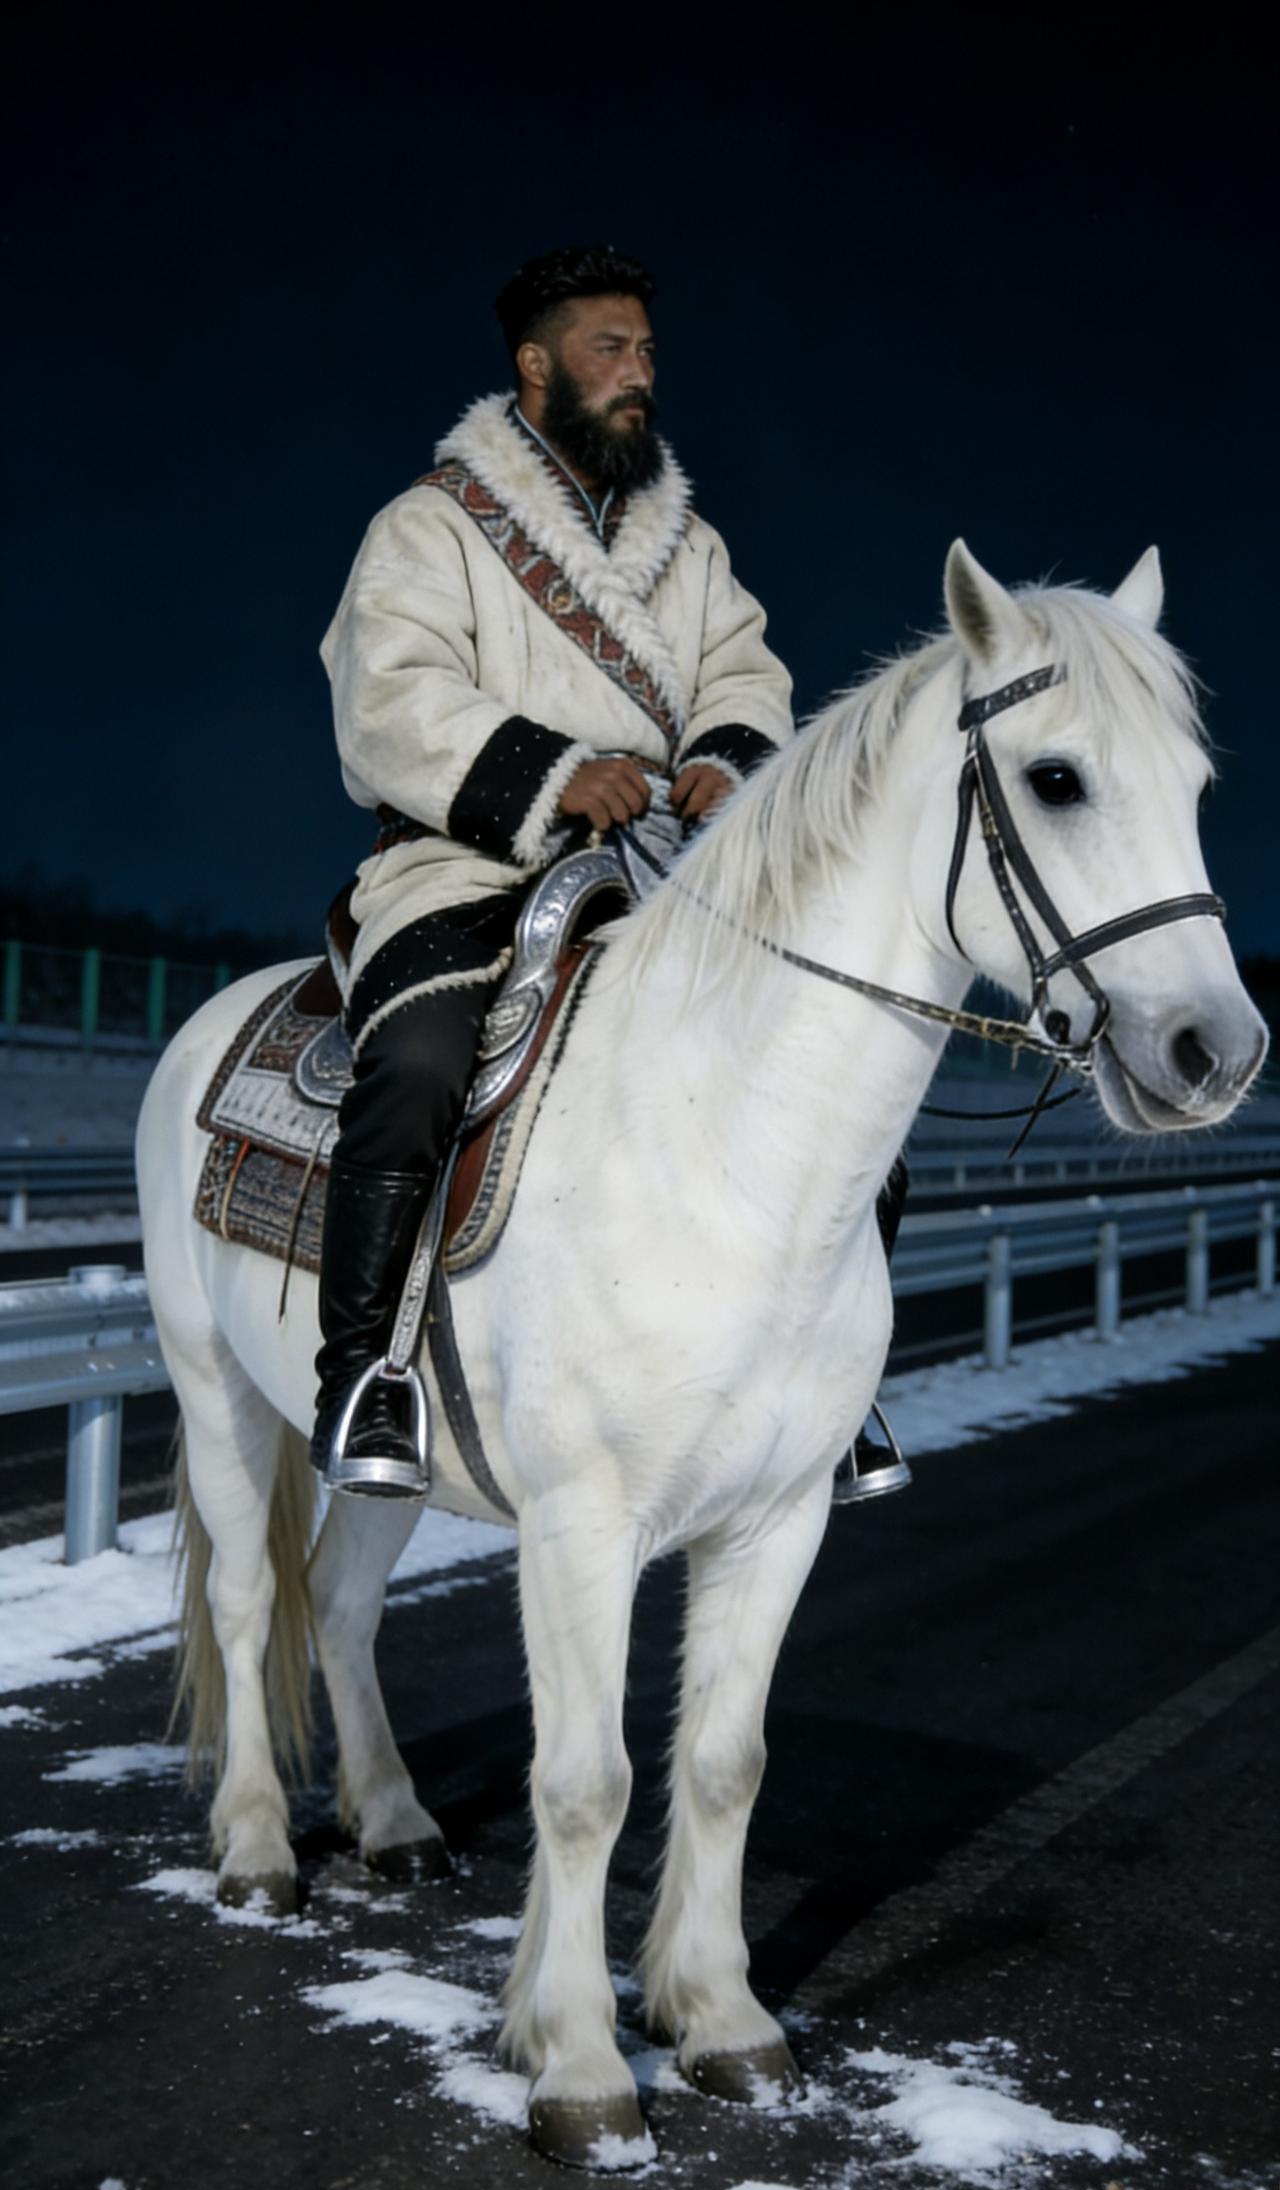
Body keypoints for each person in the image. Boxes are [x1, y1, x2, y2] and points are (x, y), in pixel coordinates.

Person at [314, 243, 908, 1502]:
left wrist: (727, 758)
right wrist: (549, 772)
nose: (639, 375)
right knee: (421, 1063)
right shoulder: (428, 527)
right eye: (609, 350)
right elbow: (388, 697)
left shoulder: (686, 548)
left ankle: (834, 1392)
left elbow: (744, 671)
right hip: (466, 855)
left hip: (654, 869)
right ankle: (364, 1373)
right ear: (535, 367)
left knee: (833, 1094)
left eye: (645, 352)